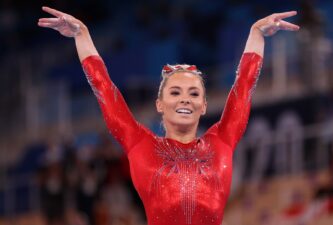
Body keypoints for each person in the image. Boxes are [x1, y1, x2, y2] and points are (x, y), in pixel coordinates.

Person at [38, 6, 299, 225]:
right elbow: (104, 89)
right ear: (160, 104)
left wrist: (256, 34)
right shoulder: (141, 145)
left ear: (204, 106)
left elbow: (243, 87)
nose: (185, 98)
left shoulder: (222, 140)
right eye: (175, 92)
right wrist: (81, 35)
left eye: (194, 94)